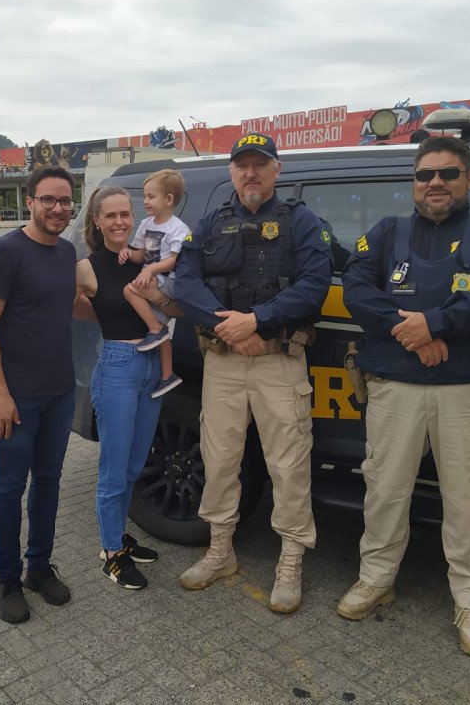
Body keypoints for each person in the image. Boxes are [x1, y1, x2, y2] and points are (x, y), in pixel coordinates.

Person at [337, 135, 470, 657]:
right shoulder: (385, 233)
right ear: (414, 182)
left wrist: (437, 323)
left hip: (465, 391)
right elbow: (357, 290)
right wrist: (412, 332)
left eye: (448, 173)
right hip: (394, 388)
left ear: (468, 179)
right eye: (426, 174)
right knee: (385, 489)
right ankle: (377, 579)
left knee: (469, 499)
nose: (436, 183)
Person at [173, 133, 333, 614]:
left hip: (278, 361)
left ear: (277, 170)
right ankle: (221, 551)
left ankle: (290, 561)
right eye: (242, 165)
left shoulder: (303, 223)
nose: (250, 173)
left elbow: (314, 286)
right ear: (231, 173)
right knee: (219, 458)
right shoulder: (210, 224)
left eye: (260, 165)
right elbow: (185, 278)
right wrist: (230, 327)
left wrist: (258, 320)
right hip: (223, 360)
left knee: (288, 463)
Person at [0, 165, 78, 624]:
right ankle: (8, 579)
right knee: (10, 487)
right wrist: (0, 393)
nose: (58, 209)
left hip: (59, 391)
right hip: (16, 397)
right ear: (29, 201)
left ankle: (38, 567)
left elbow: (68, 304)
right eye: (48, 200)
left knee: (49, 481)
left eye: (65, 201)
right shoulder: (4, 252)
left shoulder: (67, 251)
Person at [77, 185, 179, 590]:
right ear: (97, 221)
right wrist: (104, 314)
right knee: (113, 471)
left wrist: (157, 294)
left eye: (125, 214)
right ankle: (110, 552)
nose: (120, 222)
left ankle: (119, 536)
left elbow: (175, 308)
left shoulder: (147, 259)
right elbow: (65, 303)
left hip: (153, 364)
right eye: (111, 216)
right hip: (118, 366)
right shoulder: (86, 268)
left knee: (135, 465)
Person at [119, 168, 190, 398]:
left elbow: (174, 261)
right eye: (145, 195)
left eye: (151, 196)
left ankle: (155, 329)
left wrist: (150, 268)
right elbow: (141, 255)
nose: (146, 201)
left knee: (130, 290)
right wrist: (127, 253)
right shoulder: (145, 225)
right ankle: (167, 376)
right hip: (151, 281)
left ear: (169, 199)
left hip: (167, 281)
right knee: (161, 335)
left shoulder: (177, 228)